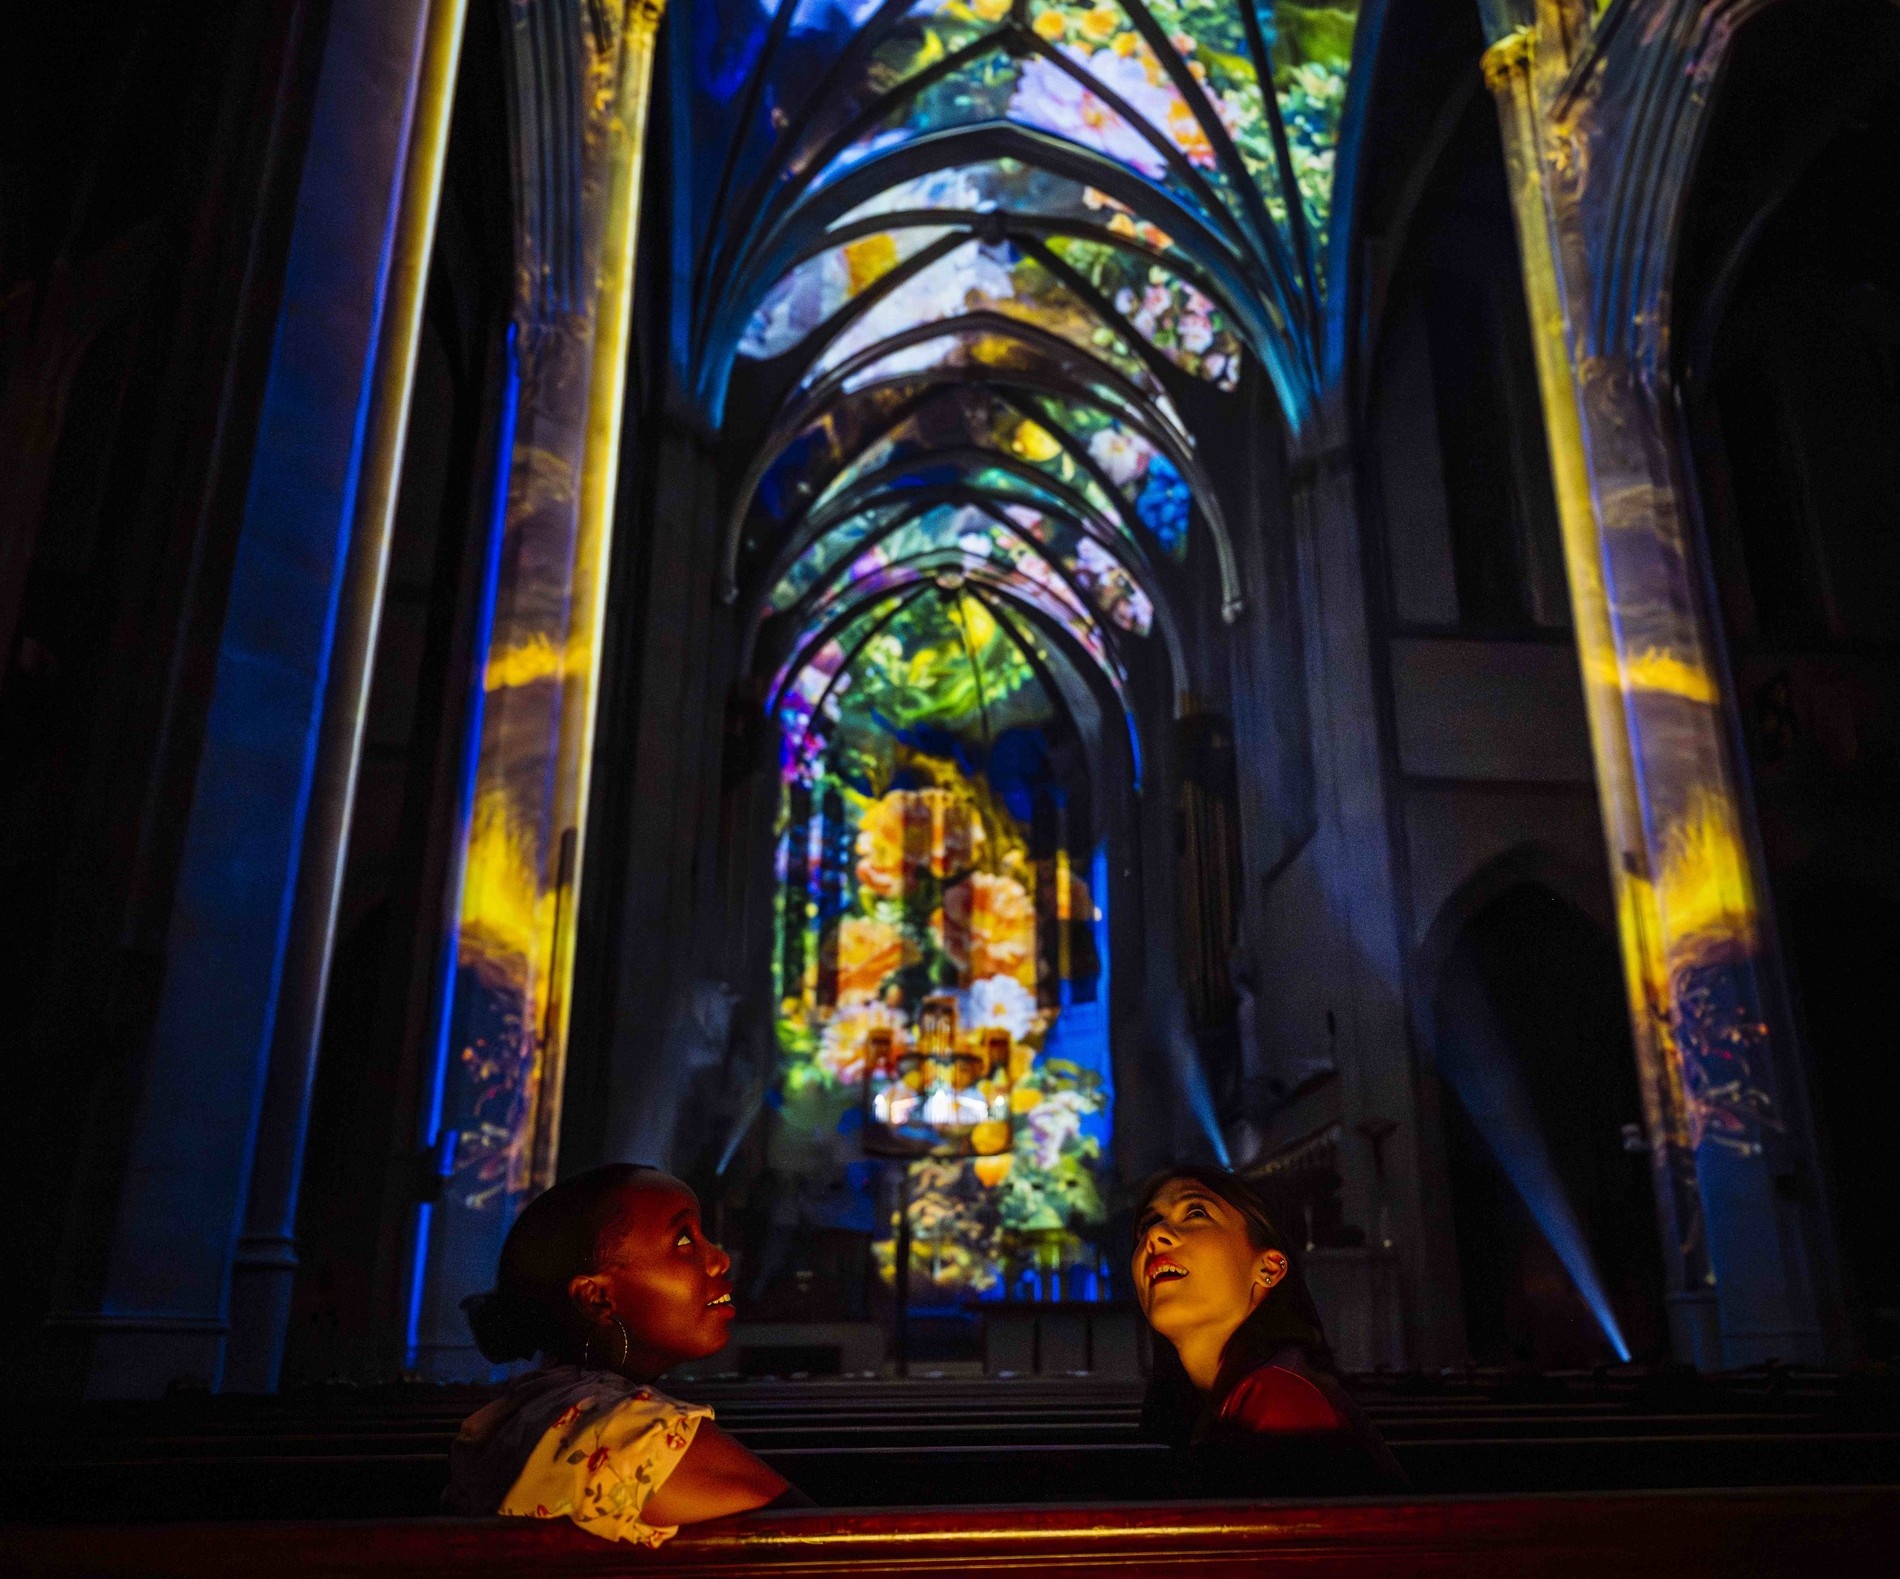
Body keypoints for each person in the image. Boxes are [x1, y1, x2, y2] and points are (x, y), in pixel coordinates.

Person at [445, 1163, 805, 1544]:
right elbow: (832, 1548)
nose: (720, 1259)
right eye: (684, 1240)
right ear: (596, 1297)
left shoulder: (533, 1407)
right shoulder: (628, 1433)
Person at [1131, 1164, 1406, 1493]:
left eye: (1196, 1213)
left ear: (1269, 1268)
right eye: (1148, 1223)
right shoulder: (1206, 1401)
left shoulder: (1280, 1399)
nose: (1155, 1234)